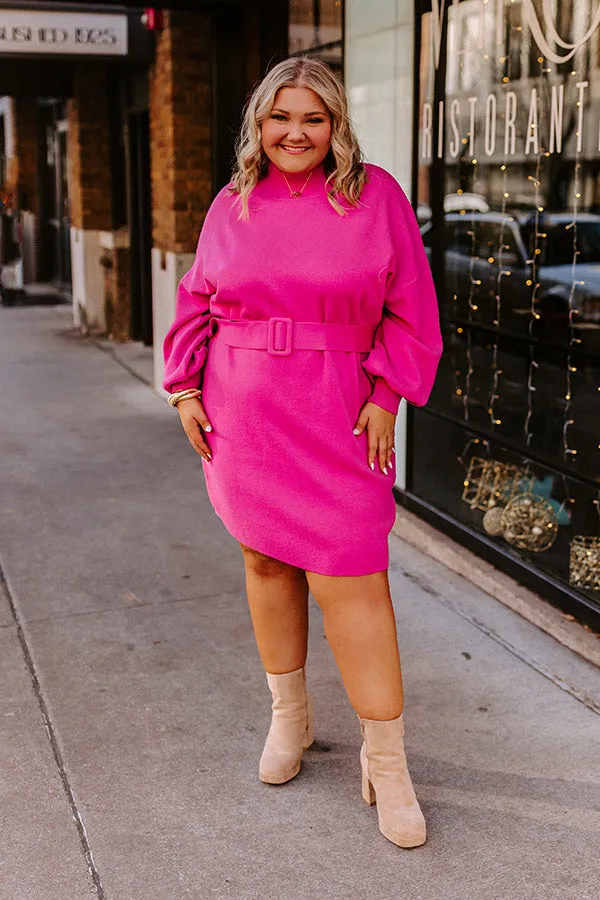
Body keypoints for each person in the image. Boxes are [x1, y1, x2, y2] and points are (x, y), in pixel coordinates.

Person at [162, 56, 443, 849]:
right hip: (243, 413)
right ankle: (291, 718)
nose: (295, 133)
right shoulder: (232, 202)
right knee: (264, 564)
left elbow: (412, 309)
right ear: (259, 123)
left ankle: (385, 762)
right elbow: (197, 299)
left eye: (312, 118)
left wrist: (387, 395)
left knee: (354, 582)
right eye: (280, 117)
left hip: (339, 416)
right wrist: (184, 387)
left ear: (335, 126)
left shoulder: (374, 195)